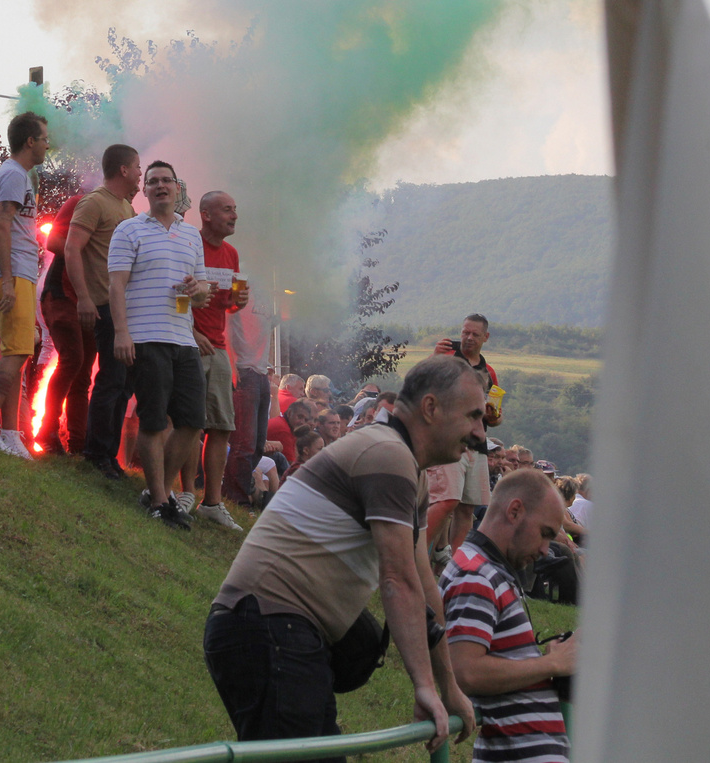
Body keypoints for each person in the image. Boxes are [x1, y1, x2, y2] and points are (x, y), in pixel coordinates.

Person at [204, 354, 484, 753]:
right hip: (269, 625)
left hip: (278, 629)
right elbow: (398, 581)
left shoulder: (407, 466)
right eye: (473, 416)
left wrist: (448, 686)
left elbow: (424, 586)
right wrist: (424, 687)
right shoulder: (387, 455)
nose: (479, 433)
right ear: (431, 408)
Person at [440, 468, 578, 763]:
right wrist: (551, 663)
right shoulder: (475, 575)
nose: (545, 550)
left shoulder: (489, 571)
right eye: (544, 534)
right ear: (515, 510)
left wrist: (548, 661)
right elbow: (466, 672)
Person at [109, 160, 210, 528]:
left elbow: (200, 293)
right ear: (144, 191)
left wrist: (200, 290)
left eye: (167, 181)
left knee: (193, 421)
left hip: (183, 337)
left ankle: (159, 493)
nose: (161, 186)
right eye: (153, 181)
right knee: (152, 421)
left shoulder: (192, 235)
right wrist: (122, 332)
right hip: (145, 335)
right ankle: (160, 504)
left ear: (178, 188)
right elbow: (116, 285)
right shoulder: (128, 229)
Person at [0, 110, 50, 459]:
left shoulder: (17, 175)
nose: (49, 145)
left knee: (19, 354)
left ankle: (10, 432)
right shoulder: (13, 175)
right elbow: (1, 225)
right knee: (15, 354)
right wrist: (7, 280)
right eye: (45, 139)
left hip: (20, 274)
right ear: (30, 141)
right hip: (13, 275)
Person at [71, 143, 141, 478]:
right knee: (110, 379)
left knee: (124, 383)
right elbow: (71, 249)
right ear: (124, 169)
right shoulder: (95, 202)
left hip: (127, 309)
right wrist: (83, 297)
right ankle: (96, 453)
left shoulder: (126, 208)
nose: (141, 173)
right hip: (104, 304)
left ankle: (109, 455)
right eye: (138, 167)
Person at [189, 190, 248, 531]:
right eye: (228, 210)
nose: (234, 216)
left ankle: (211, 502)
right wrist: (191, 333)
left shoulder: (231, 253)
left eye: (235, 209)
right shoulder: (190, 245)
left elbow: (225, 304)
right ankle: (182, 492)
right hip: (191, 343)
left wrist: (237, 303)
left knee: (222, 425)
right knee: (188, 424)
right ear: (206, 214)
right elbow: (178, 294)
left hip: (219, 347)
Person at [428, 315, 499, 561]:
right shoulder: (446, 357)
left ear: (485, 338)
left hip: (477, 445)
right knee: (447, 500)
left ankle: (453, 566)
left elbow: (496, 418)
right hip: (447, 441)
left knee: (467, 508)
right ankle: (418, 554)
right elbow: (418, 382)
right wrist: (433, 357)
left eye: (474, 334)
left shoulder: (489, 371)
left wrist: (493, 415)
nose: (468, 338)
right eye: (465, 332)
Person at [38, 191, 92, 455]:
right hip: (62, 293)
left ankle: (78, 445)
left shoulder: (126, 213)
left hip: (95, 300)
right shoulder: (81, 202)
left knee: (83, 375)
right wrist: (89, 250)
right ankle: (47, 431)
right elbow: (54, 241)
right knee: (73, 359)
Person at [223, 290, 274, 505]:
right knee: (244, 444)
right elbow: (225, 327)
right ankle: (237, 499)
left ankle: (230, 489)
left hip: (262, 373)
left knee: (258, 445)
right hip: (244, 371)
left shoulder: (270, 285)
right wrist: (232, 367)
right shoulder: (240, 281)